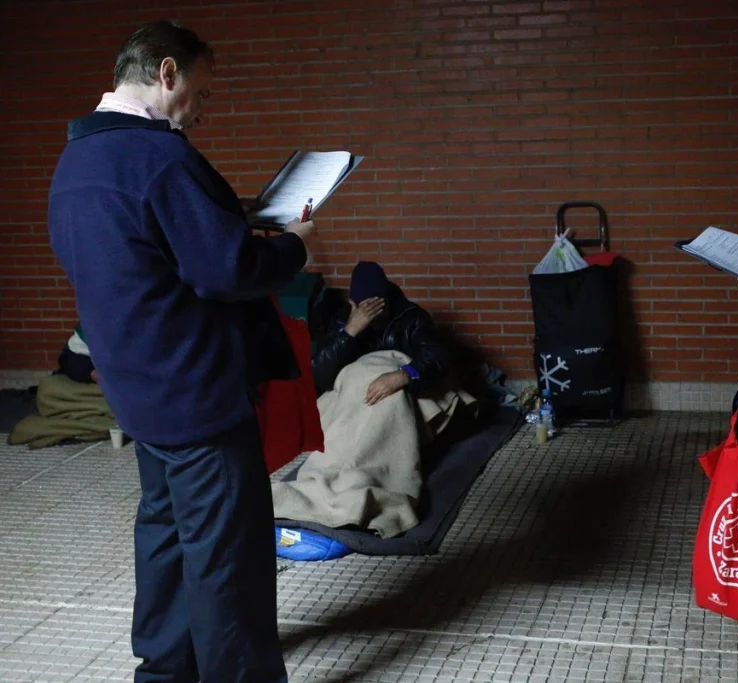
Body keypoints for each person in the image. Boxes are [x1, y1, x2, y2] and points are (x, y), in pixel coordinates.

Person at [47, 20, 316, 683]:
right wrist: (293, 245)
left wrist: (230, 217)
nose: (203, 105)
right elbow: (224, 271)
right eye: (201, 89)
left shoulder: (77, 159)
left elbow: (146, 246)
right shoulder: (161, 158)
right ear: (167, 73)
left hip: (139, 391)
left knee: (165, 540)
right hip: (199, 396)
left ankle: (164, 672)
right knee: (229, 561)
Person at [312, 261, 448, 400]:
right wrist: (349, 332)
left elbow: (436, 361)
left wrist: (404, 376)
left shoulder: (412, 318)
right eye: (365, 309)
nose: (372, 315)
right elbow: (320, 376)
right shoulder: (342, 319)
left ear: (387, 300)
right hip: (356, 392)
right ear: (354, 306)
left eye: (378, 306)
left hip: (402, 390)